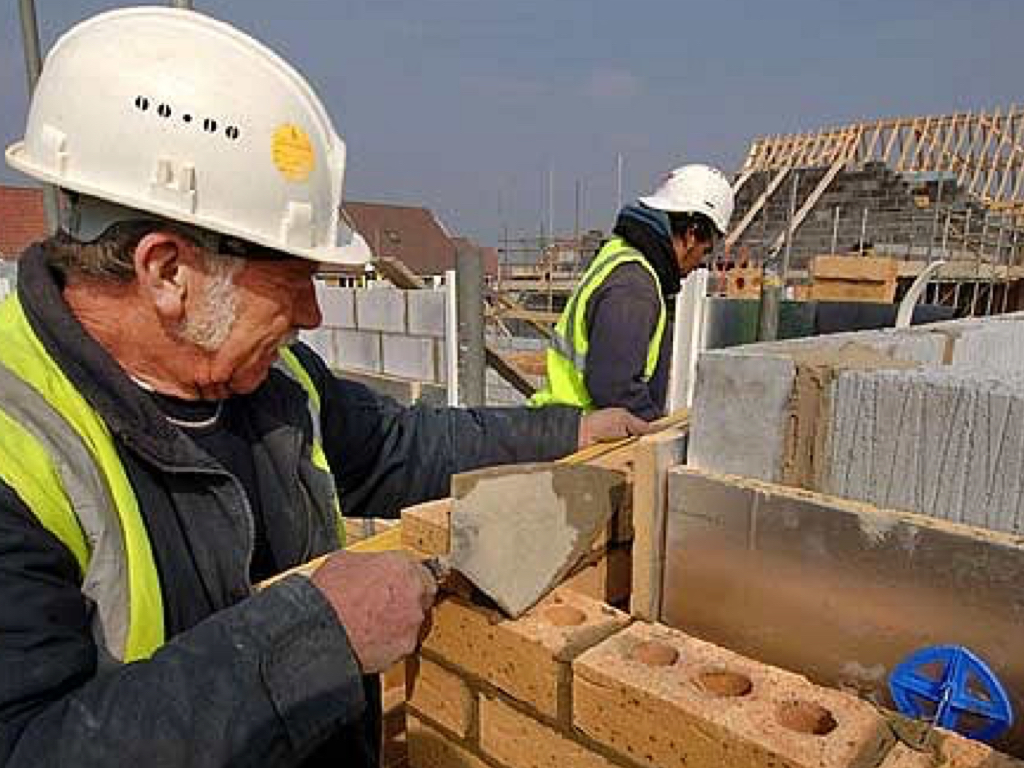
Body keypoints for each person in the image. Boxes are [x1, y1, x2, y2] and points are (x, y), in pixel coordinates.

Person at [0, 8, 648, 767]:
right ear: (168, 271)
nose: (311, 315)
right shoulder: (19, 453)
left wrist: (570, 432)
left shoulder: (268, 381)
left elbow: (394, 445)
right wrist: (316, 636)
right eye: (294, 281)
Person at [531, 164, 735, 419]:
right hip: (585, 439)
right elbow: (614, 389)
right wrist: (656, 430)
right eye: (706, 251)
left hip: (568, 426)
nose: (699, 264)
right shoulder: (634, 287)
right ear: (692, 234)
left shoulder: (621, 254)